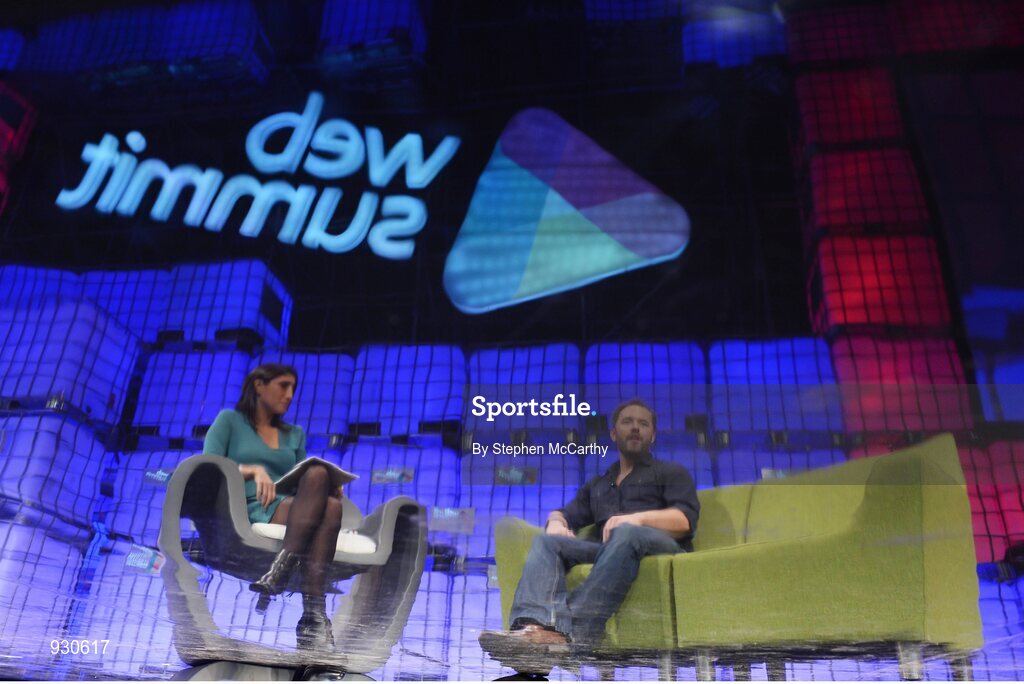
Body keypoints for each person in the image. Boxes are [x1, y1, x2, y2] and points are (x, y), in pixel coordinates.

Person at [479, 398, 699, 666]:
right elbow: (564, 513)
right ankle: (532, 630)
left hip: (661, 547)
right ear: (613, 433)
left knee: (627, 532)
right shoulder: (599, 484)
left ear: (652, 435)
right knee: (548, 542)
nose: (635, 428)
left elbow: (684, 520)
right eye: (627, 422)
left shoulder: (670, 472)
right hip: (610, 551)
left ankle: (572, 636)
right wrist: (556, 522)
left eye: (643, 424)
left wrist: (635, 520)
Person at [203, 363, 343, 651]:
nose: (290, 394)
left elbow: (302, 481)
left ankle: (281, 576)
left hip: (290, 507)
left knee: (327, 497)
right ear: (259, 386)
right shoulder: (229, 421)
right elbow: (207, 465)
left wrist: (330, 484)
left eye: (294, 388)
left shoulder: (295, 434)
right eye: (283, 385)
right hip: (249, 507)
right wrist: (252, 469)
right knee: (322, 491)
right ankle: (313, 617)